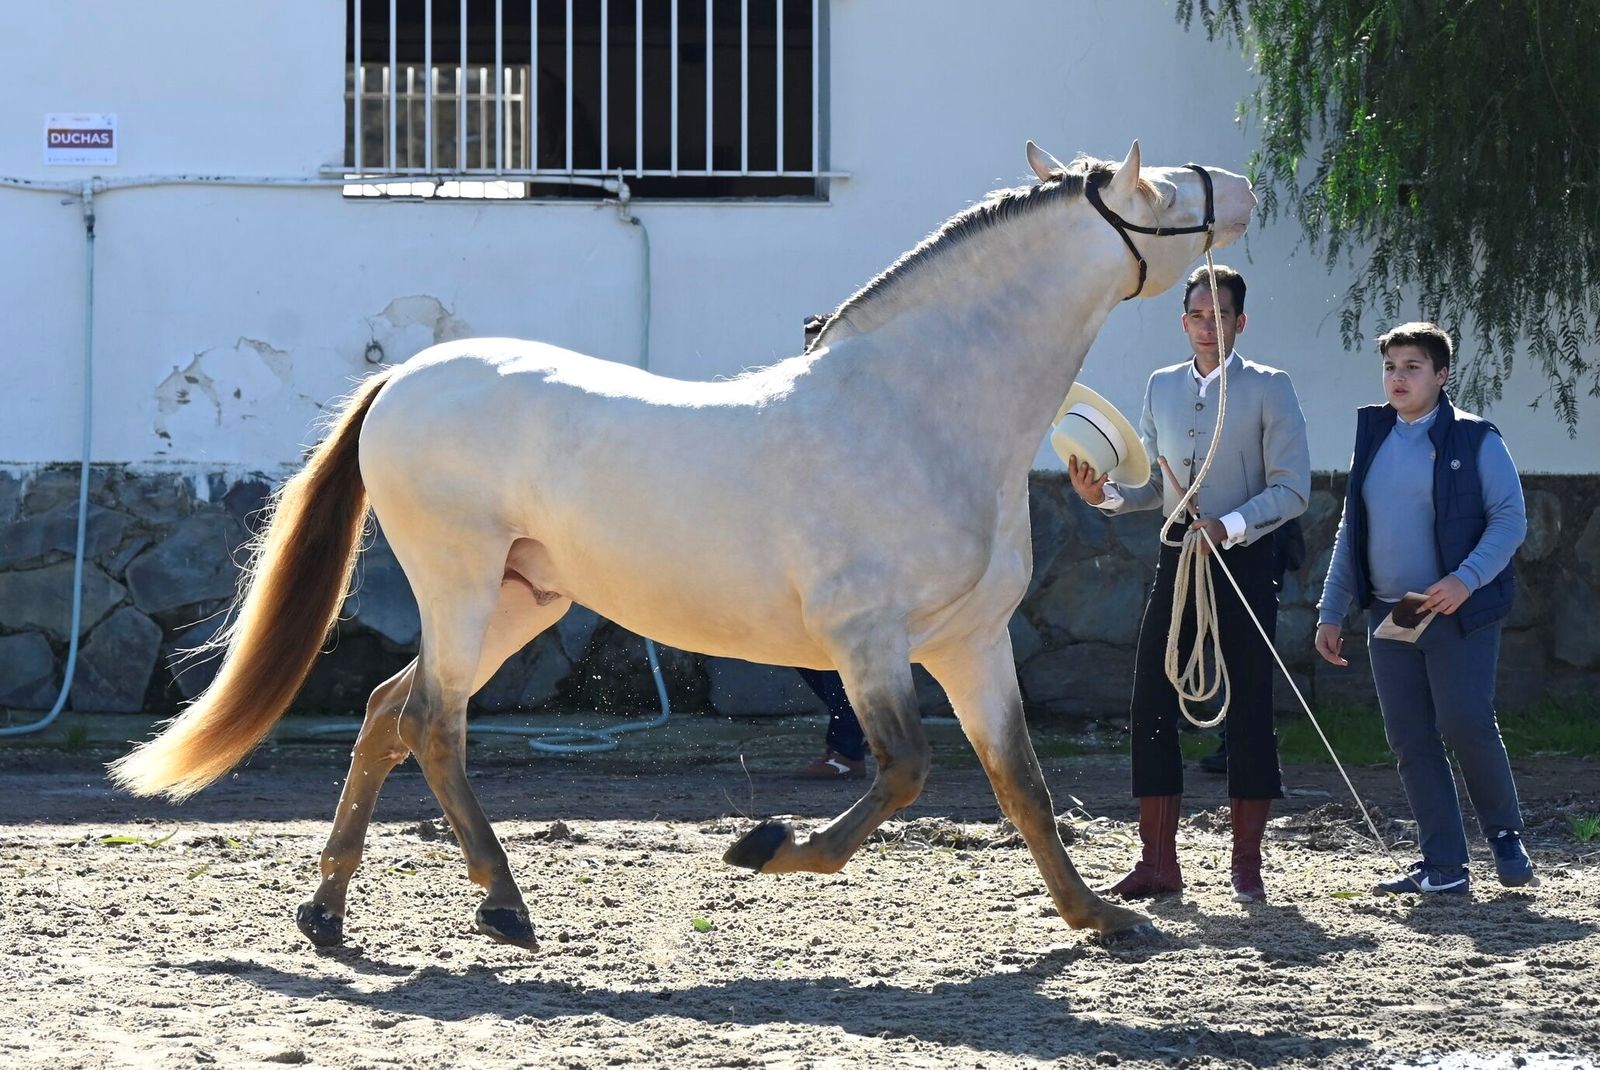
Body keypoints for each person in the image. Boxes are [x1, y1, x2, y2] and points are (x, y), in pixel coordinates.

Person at [1068, 264, 1310, 903]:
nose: (1210, 326)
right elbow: (1153, 487)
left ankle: (1247, 865)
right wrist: (1105, 496)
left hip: (1245, 559)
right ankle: (1157, 862)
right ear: (1184, 322)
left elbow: (1292, 489)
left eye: (1221, 315)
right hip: (1178, 558)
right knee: (1150, 696)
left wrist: (1228, 526)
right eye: (1199, 315)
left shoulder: (1270, 387)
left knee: (1251, 702)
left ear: (1241, 322)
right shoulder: (1160, 386)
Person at [1315, 321, 1533, 895]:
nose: (1398, 377)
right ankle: (1444, 868)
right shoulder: (1374, 435)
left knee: (1465, 721)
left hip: (1458, 612)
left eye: (1412, 367)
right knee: (1410, 739)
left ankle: (1506, 837)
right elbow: (1350, 530)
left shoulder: (1477, 438)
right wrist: (1331, 610)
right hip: (1390, 615)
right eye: (1390, 367)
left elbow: (1509, 520)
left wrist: (1465, 581)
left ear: (1442, 374)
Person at [788, 311, 869, 780]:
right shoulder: (809, 397)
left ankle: (848, 750)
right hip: (813, 541)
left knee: (834, 650)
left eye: (816, 342)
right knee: (808, 649)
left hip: (846, 547)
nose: (810, 351)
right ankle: (852, 744)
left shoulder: (854, 401)